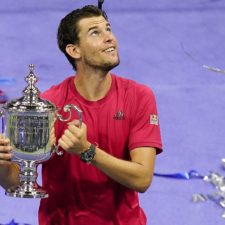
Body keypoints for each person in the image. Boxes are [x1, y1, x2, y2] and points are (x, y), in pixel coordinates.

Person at [0, 5, 163, 225]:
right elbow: (16, 182)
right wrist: (1, 164)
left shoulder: (139, 97)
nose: (110, 38)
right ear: (74, 50)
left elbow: (142, 179)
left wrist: (87, 151)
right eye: (95, 32)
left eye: (108, 29)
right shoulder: (48, 105)